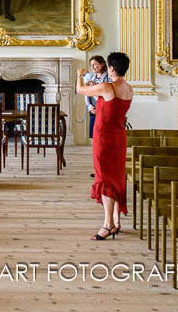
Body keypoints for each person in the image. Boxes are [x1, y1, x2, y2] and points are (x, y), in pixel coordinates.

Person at [76, 52, 132, 240]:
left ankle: (107, 225)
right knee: (115, 177)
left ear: (111, 69)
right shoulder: (129, 89)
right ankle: (116, 221)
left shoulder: (108, 87)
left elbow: (80, 90)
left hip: (104, 138)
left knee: (105, 178)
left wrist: (80, 76)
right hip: (119, 137)